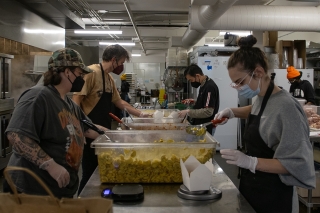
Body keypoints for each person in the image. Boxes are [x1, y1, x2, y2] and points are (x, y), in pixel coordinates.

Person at [214, 35, 315, 213]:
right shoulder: (262, 97)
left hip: (276, 197)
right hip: (253, 187)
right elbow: (260, 112)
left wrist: (250, 162)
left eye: (240, 82)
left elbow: (297, 163)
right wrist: (231, 112)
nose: (238, 87)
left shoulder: (287, 108)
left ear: (258, 72)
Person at [4, 48, 108, 198]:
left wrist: (116, 136)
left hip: (57, 189)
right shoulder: (38, 96)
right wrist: (50, 165)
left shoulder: (68, 102)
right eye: (79, 74)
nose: (82, 79)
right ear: (67, 72)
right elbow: (16, 135)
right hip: (32, 191)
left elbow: (88, 128)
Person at [72, 44, 150, 195]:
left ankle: (98, 202)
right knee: (89, 172)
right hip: (89, 131)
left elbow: (119, 102)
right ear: (114, 60)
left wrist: (141, 115)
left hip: (103, 131)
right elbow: (76, 100)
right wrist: (79, 127)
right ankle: (82, 204)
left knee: (100, 171)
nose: (121, 66)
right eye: (121, 62)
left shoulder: (109, 79)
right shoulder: (91, 73)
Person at [178, 64, 219, 135]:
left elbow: (208, 111)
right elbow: (206, 102)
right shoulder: (203, 85)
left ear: (197, 76)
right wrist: (195, 101)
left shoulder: (209, 87)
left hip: (206, 127)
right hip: (200, 125)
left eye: (191, 80)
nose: (191, 82)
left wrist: (188, 112)